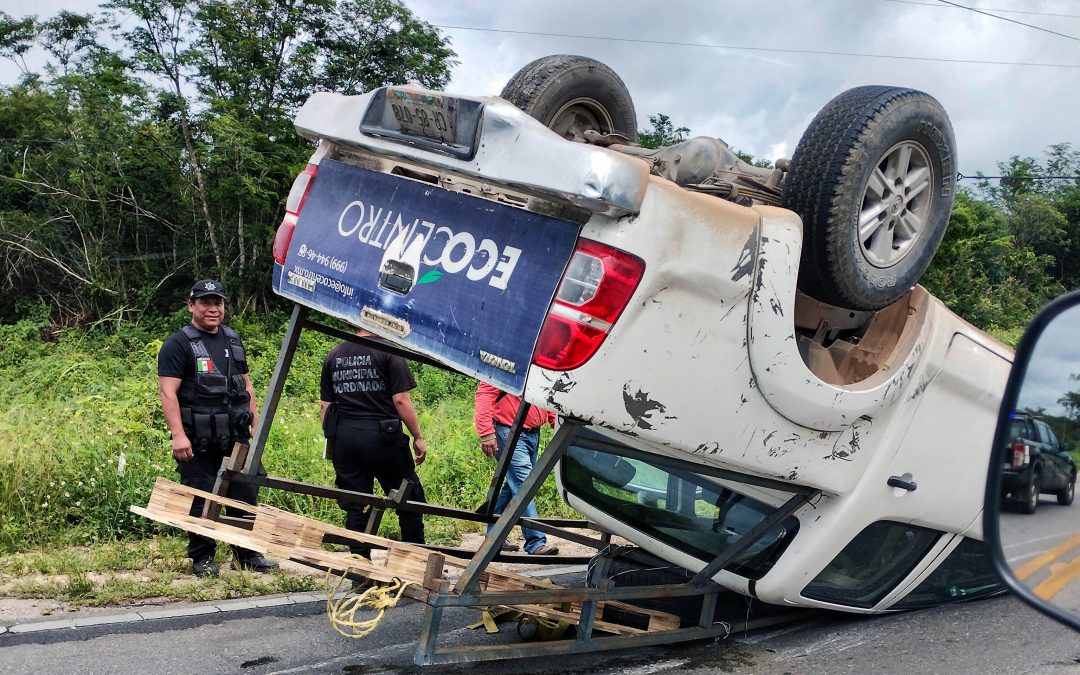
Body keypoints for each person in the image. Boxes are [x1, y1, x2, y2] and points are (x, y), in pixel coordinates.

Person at [157, 279, 278, 577]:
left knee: (244, 494)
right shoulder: (179, 343)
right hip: (198, 440)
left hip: (235, 435)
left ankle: (247, 555)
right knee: (200, 497)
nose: (213, 309)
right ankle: (203, 558)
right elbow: (167, 392)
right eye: (206, 303)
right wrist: (178, 435)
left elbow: (246, 386)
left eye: (218, 303)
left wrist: (256, 426)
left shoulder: (233, 340)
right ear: (191, 306)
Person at [319, 330, 427, 558]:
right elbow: (400, 399)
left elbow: (325, 407)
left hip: (345, 437)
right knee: (408, 497)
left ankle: (361, 570)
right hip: (383, 436)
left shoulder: (334, 354)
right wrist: (417, 435)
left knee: (356, 503)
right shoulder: (389, 351)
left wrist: (335, 440)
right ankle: (412, 563)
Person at [474, 383, 559, 555]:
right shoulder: (509, 360)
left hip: (532, 433)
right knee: (525, 483)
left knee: (513, 485)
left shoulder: (539, 364)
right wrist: (486, 433)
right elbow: (485, 395)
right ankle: (535, 542)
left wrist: (554, 420)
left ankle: (493, 537)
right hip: (509, 430)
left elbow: (544, 394)